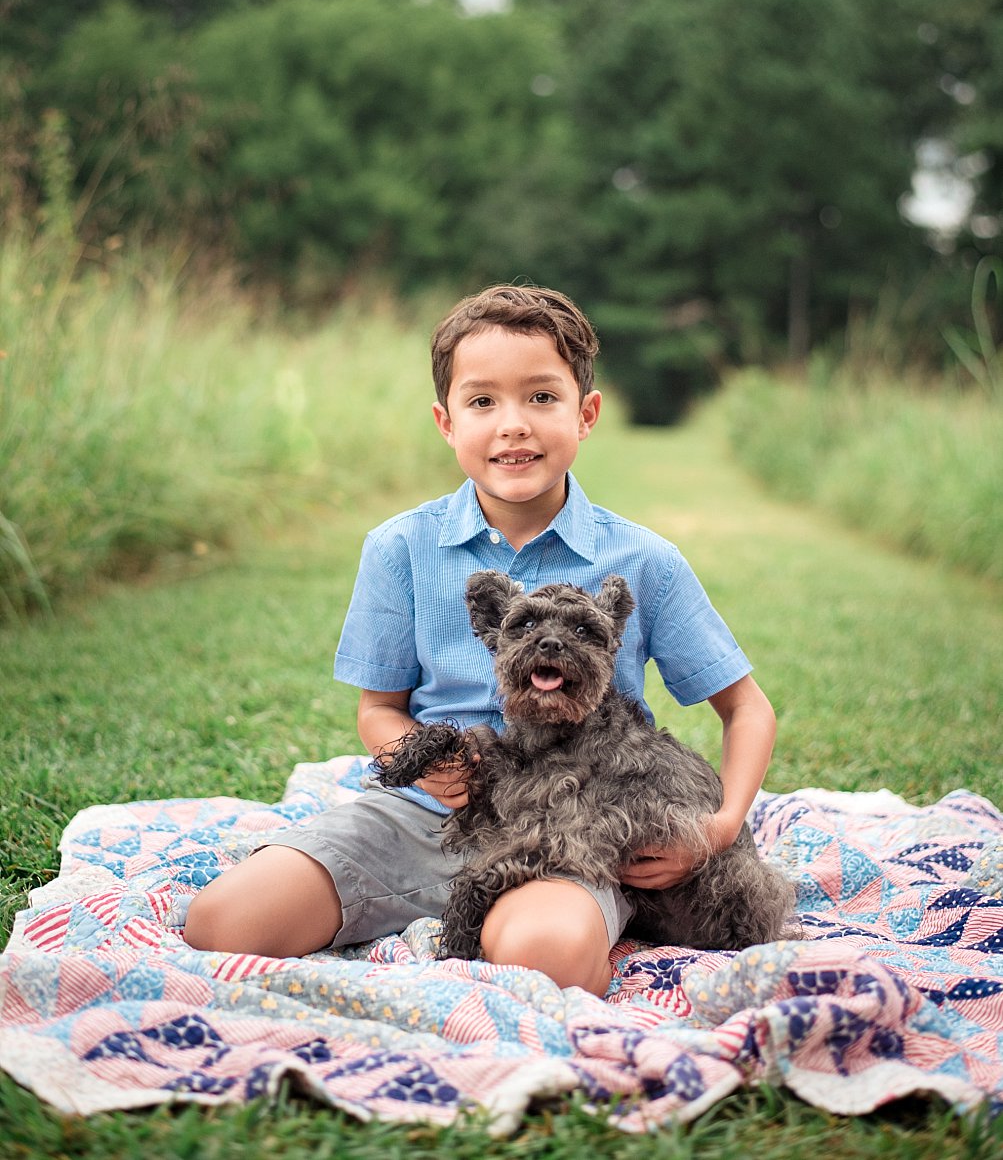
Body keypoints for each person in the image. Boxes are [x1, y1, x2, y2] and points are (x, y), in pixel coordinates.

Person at [184, 285, 778, 997]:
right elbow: (379, 710)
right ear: (445, 422)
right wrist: (418, 764)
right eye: (482, 402)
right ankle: (416, 901)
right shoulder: (400, 547)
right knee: (224, 923)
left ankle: (551, 920)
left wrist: (717, 829)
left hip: (574, 829)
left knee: (544, 960)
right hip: (430, 814)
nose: (513, 426)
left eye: (541, 397)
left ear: (585, 414)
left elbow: (746, 710)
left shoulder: (643, 560)